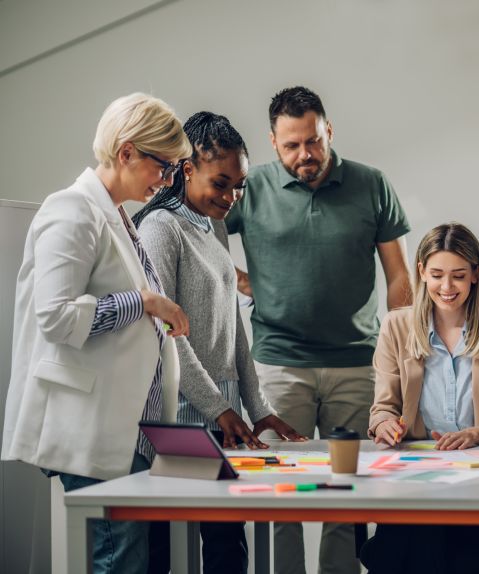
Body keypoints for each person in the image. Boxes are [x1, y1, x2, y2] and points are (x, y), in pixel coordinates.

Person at [1, 93, 192, 574]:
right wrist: (144, 302)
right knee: (118, 562)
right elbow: (57, 317)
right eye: (163, 167)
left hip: (130, 433)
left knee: (130, 560)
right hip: (94, 427)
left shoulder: (120, 216)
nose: (167, 182)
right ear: (126, 152)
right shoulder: (71, 210)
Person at [224, 86, 412, 574]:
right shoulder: (251, 187)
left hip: (357, 364)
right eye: (291, 145)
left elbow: (399, 278)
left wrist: (400, 353)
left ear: (329, 130)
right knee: (279, 495)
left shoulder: (372, 184)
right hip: (278, 365)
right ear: (273, 143)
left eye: (313, 141)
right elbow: (201, 239)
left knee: (347, 496)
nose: (304, 154)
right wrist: (238, 281)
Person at [134, 111, 308, 574]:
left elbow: (233, 327)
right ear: (187, 168)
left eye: (240, 186)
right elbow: (165, 335)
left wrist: (257, 405)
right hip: (179, 419)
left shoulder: (214, 225)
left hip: (221, 418)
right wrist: (219, 408)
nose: (231, 197)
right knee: (161, 551)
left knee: (228, 547)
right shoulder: (159, 228)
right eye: (221, 183)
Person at [363, 222, 479, 573]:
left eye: (458, 275)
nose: (446, 286)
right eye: (437, 274)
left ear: (475, 274)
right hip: (415, 481)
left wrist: (478, 432)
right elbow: (383, 407)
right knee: (420, 523)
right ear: (422, 272)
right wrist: (384, 425)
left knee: (404, 544)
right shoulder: (396, 327)